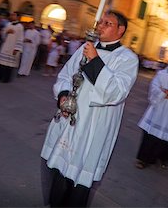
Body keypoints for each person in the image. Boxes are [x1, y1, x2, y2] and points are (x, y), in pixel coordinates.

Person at [41, 11, 139, 207]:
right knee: (59, 169)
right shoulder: (84, 49)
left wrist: (95, 61)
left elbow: (116, 93)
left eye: (107, 23)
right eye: (100, 22)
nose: (100, 26)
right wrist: (63, 96)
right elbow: (66, 75)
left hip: (94, 123)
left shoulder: (128, 59)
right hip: (70, 117)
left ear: (121, 30)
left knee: (79, 176)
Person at [0, 11, 24, 82]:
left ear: (18, 17)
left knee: (9, 65)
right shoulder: (8, 24)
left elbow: (20, 38)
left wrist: (17, 48)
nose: (12, 16)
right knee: (1, 63)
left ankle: (6, 78)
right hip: (6, 44)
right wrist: (6, 32)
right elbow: (3, 32)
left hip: (13, 46)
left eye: (14, 15)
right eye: (11, 15)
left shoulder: (20, 27)